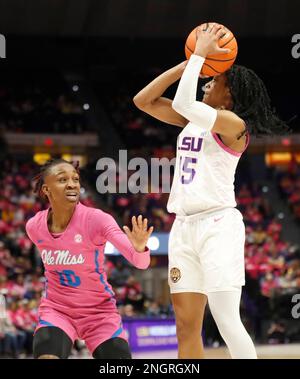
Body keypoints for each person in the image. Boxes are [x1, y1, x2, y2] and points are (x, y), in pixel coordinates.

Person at [133, 23, 289, 359]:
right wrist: (190, 60)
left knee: (226, 319)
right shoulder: (194, 119)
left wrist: (201, 54)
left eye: (214, 79)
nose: (206, 80)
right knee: (185, 326)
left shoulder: (234, 125)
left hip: (218, 226)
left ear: (230, 95)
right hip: (183, 227)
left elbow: (187, 103)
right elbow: (143, 100)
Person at [25, 158, 153, 359]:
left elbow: (141, 263)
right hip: (57, 311)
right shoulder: (34, 227)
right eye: (62, 179)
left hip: (99, 313)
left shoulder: (96, 219)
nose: (72, 184)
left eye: (75, 179)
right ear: (46, 189)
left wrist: (139, 248)